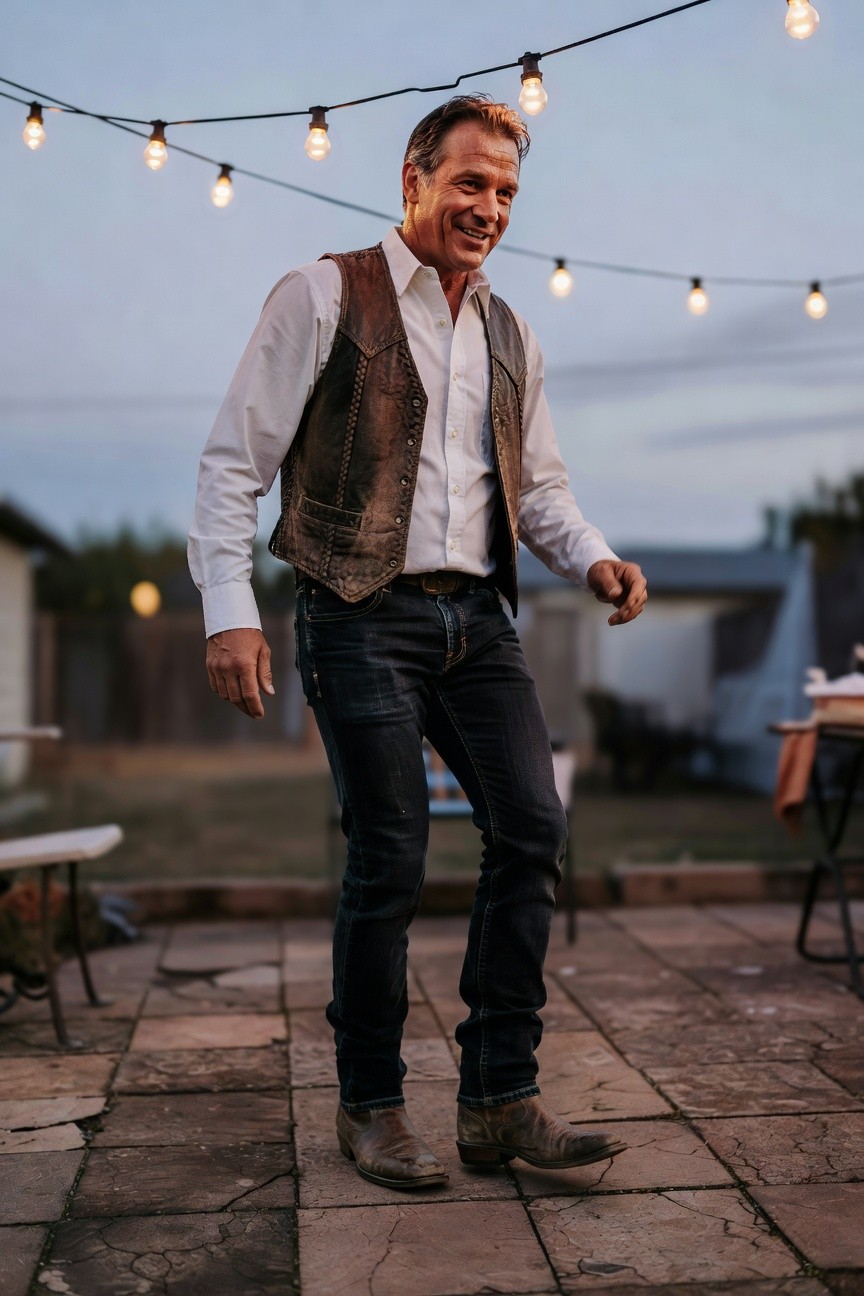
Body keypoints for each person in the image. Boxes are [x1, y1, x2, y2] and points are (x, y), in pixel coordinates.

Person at [189, 94, 647, 1191]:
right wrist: (228, 608)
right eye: (470, 182)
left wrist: (592, 557)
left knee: (532, 829)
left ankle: (499, 1102)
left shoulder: (510, 332)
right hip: (357, 611)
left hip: (476, 620)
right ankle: (373, 1106)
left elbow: (536, 489)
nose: (488, 207)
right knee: (391, 852)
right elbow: (231, 464)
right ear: (414, 179)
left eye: (505, 192)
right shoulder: (322, 292)